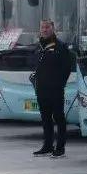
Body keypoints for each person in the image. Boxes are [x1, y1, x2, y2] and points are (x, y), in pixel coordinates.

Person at [31, 19, 74, 158]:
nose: (44, 30)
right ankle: (47, 146)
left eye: (47, 27)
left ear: (53, 28)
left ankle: (60, 148)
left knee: (59, 118)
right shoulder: (39, 46)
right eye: (42, 27)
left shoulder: (60, 46)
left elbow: (67, 67)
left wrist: (60, 83)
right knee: (45, 118)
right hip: (41, 89)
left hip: (55, 89)